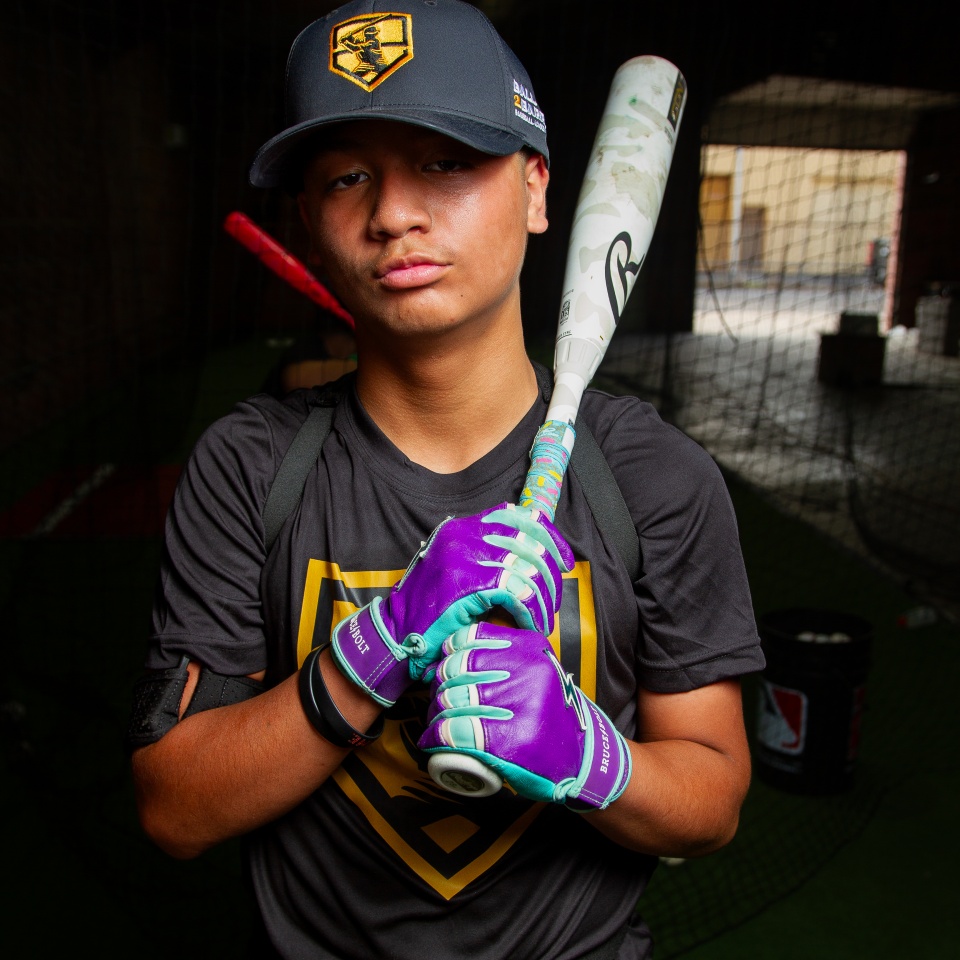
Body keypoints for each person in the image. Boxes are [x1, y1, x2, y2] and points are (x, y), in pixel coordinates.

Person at [128, 2, 765, 958]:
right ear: (309, 221)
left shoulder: (653, 476)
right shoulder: (250, 462)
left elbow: (711, 805)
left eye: (447, 162)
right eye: (349, 176)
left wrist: (588, 756)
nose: (392, 213)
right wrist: (372, 651)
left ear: (539, 189)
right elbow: (176, 811)